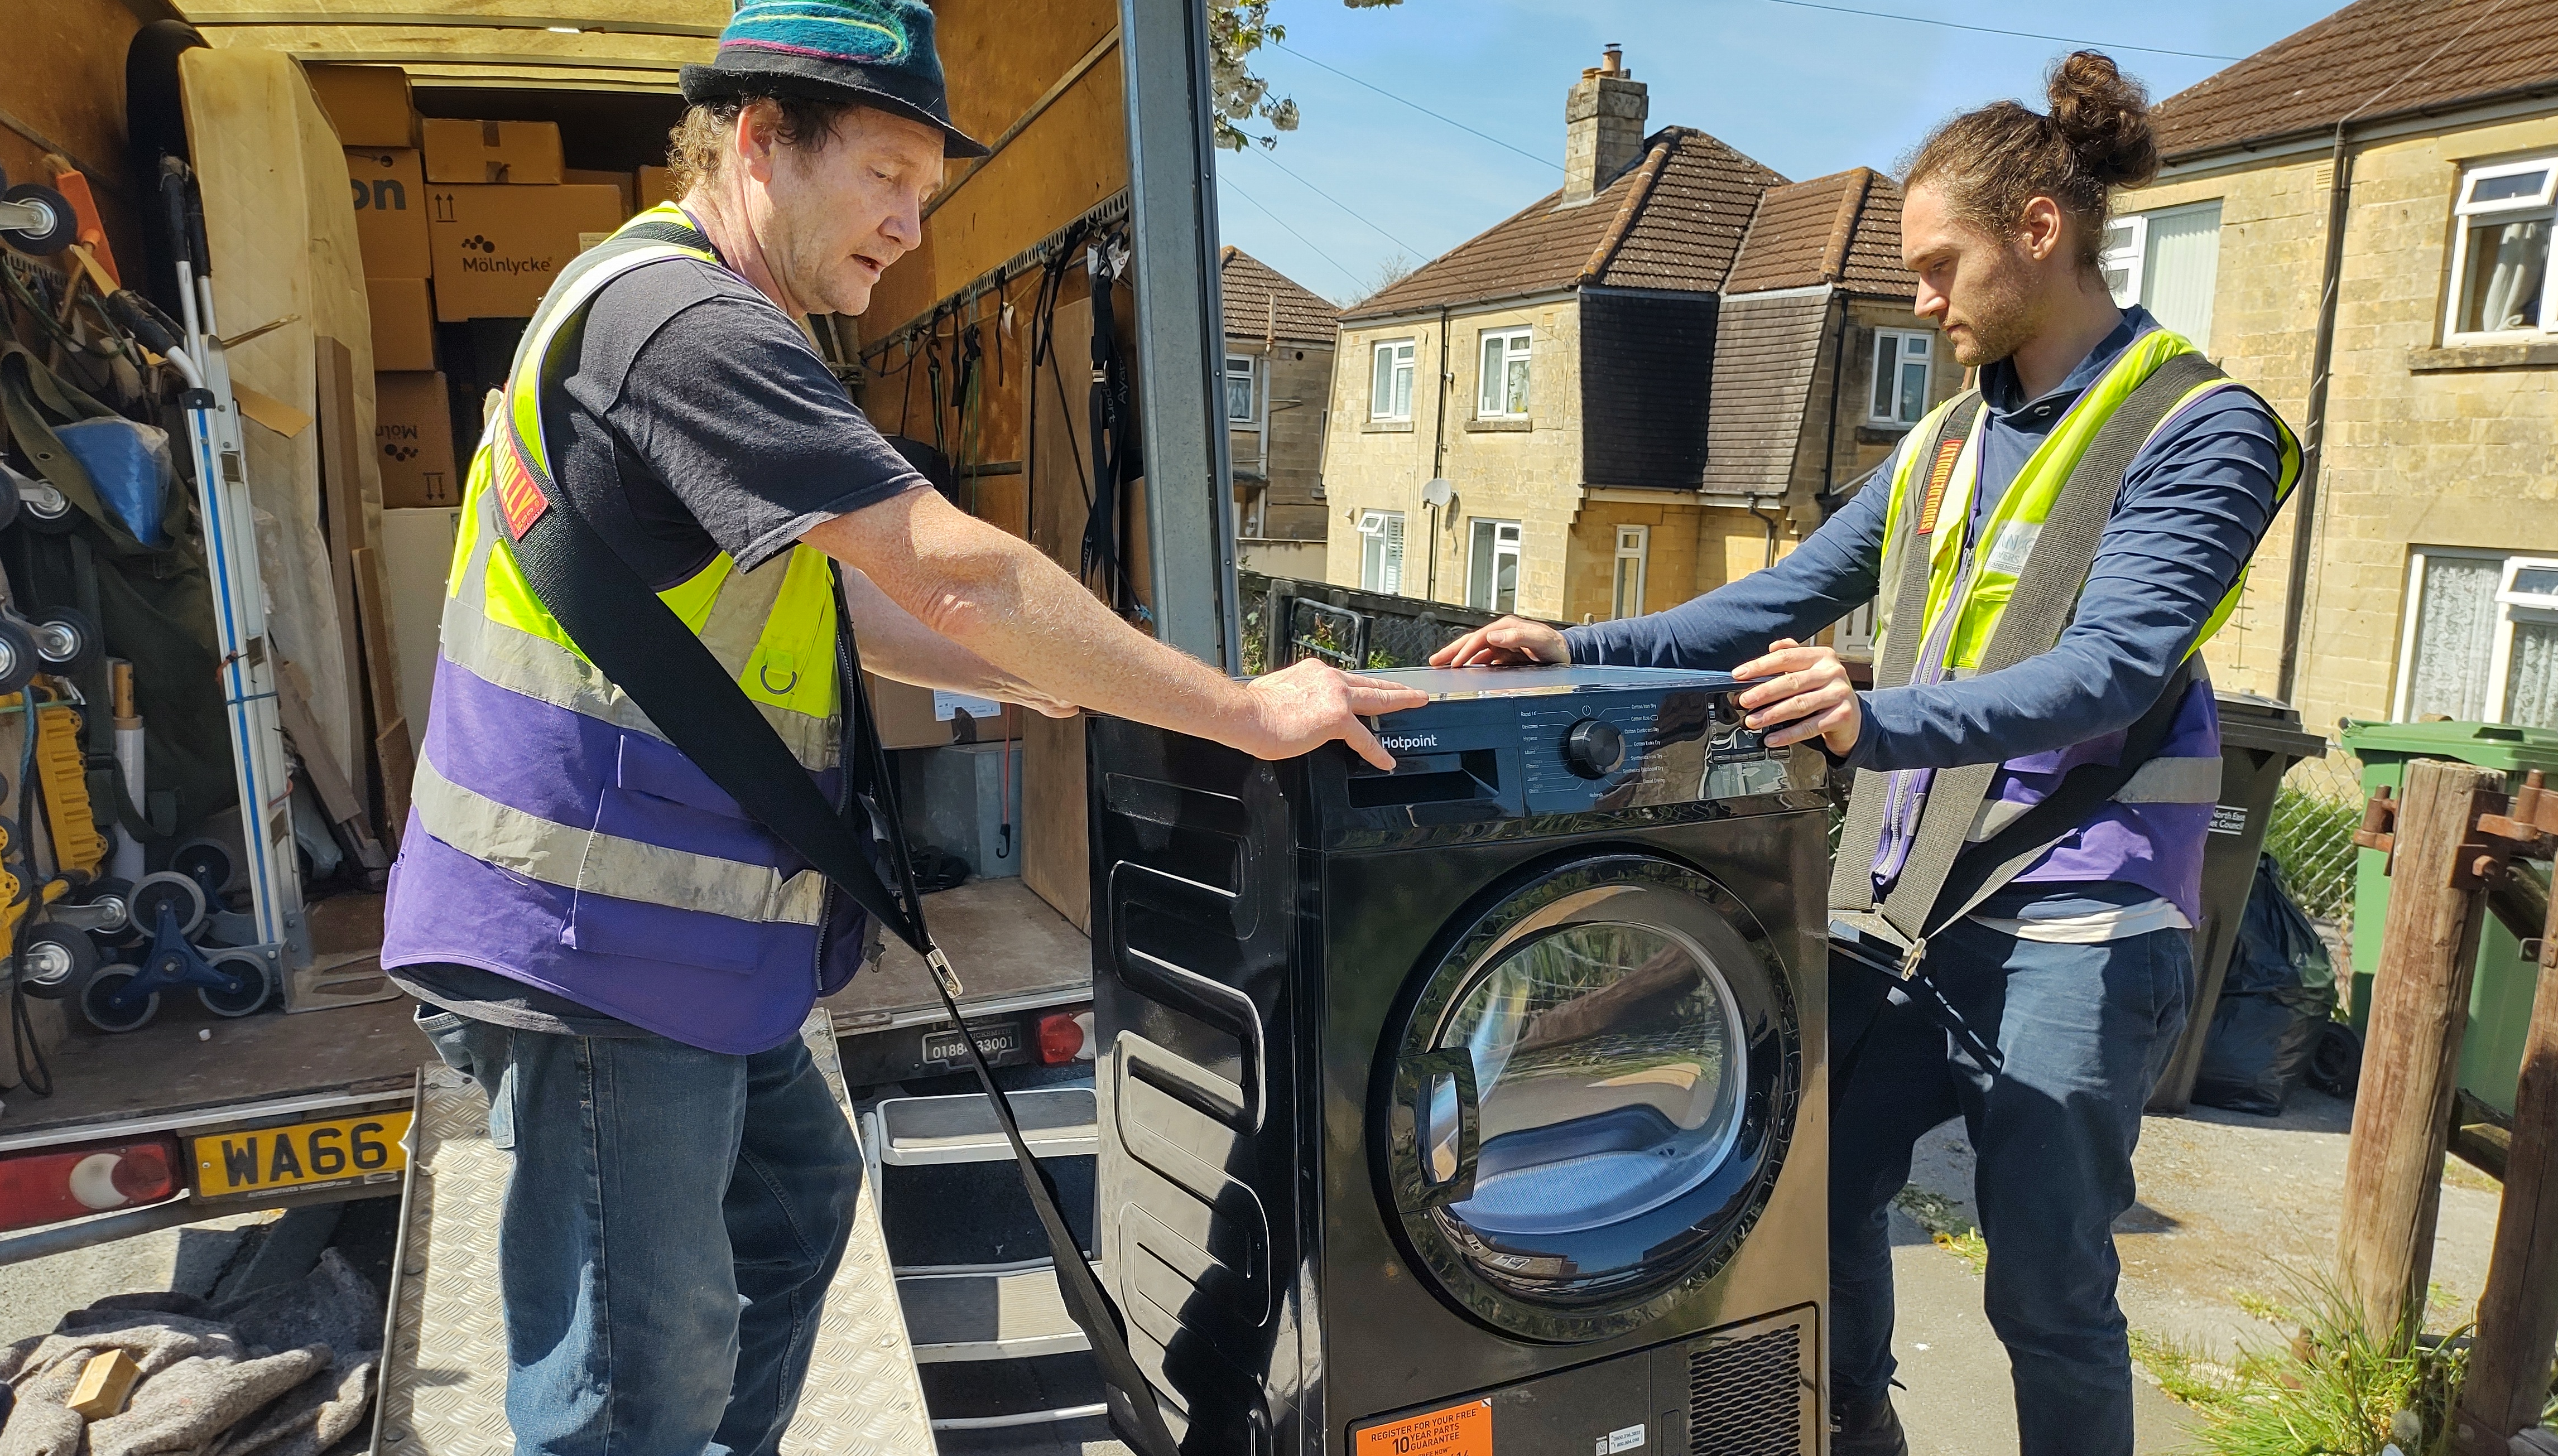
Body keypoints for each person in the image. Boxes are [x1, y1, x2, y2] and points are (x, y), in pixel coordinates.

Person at [377, 3, 1426, 1451]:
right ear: (759, 141)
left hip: (676, 949)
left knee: (799, 1213)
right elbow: (951, 564)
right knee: (636, 1381)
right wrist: (1246, 711)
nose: (908, 225)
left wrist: (1025, 675)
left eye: (924, 190)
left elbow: (832, 600)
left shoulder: (687, 314)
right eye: (884, 174)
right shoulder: (689, 324)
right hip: (595, 944)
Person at [1431, 52, 2296, 1456]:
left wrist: (1866, 718)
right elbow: (1771, 602)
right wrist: (1575, 641)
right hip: (1902, 906)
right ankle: (1852, 1437)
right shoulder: (1945, 440)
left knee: (2046, 1289)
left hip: (2076, 914)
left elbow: (2112, 669)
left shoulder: (2202, 430)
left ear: (2038, 231)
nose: (1919, 298)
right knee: (1803, 1195)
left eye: (1937, 264)